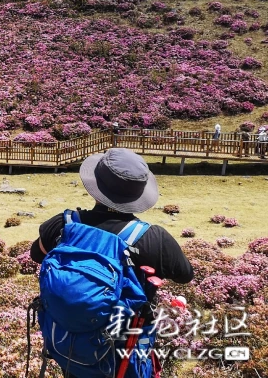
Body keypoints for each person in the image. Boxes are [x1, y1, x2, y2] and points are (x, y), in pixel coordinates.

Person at [30, 149, 193, 378]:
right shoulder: (154, 239)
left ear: (96, 186)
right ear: (138, 195)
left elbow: (36, 254)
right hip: (124, 353)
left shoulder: (62, 225)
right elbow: (185, 274)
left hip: (67, 346)